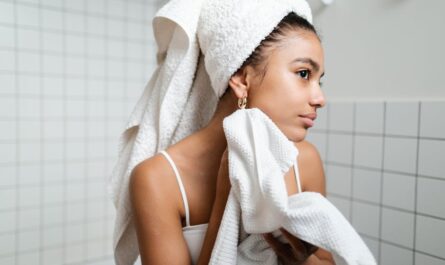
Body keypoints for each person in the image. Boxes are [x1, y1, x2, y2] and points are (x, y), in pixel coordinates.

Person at [129, 11, 335, 265]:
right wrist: (225, 198)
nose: (320, 99)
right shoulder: (157, 179)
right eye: (304, 73)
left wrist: (299, 259)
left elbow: (326, 261)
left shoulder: (305, 160)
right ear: (241, 79)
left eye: (319, 82)